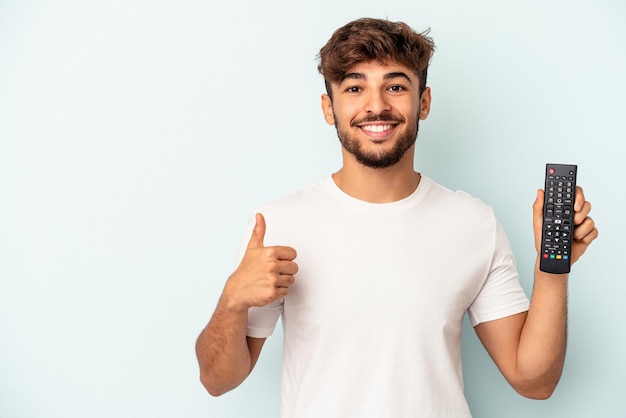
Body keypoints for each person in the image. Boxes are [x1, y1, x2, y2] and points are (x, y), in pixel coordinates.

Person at [195, 17, 598, 417]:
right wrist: (232, 300)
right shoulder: (278, 225)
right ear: (328, 108)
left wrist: (552, 268)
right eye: (355, 87)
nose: (376, 105)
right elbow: (217, 380)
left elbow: (534, 382)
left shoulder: (473, 223)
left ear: (423, 102)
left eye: (396, 86)